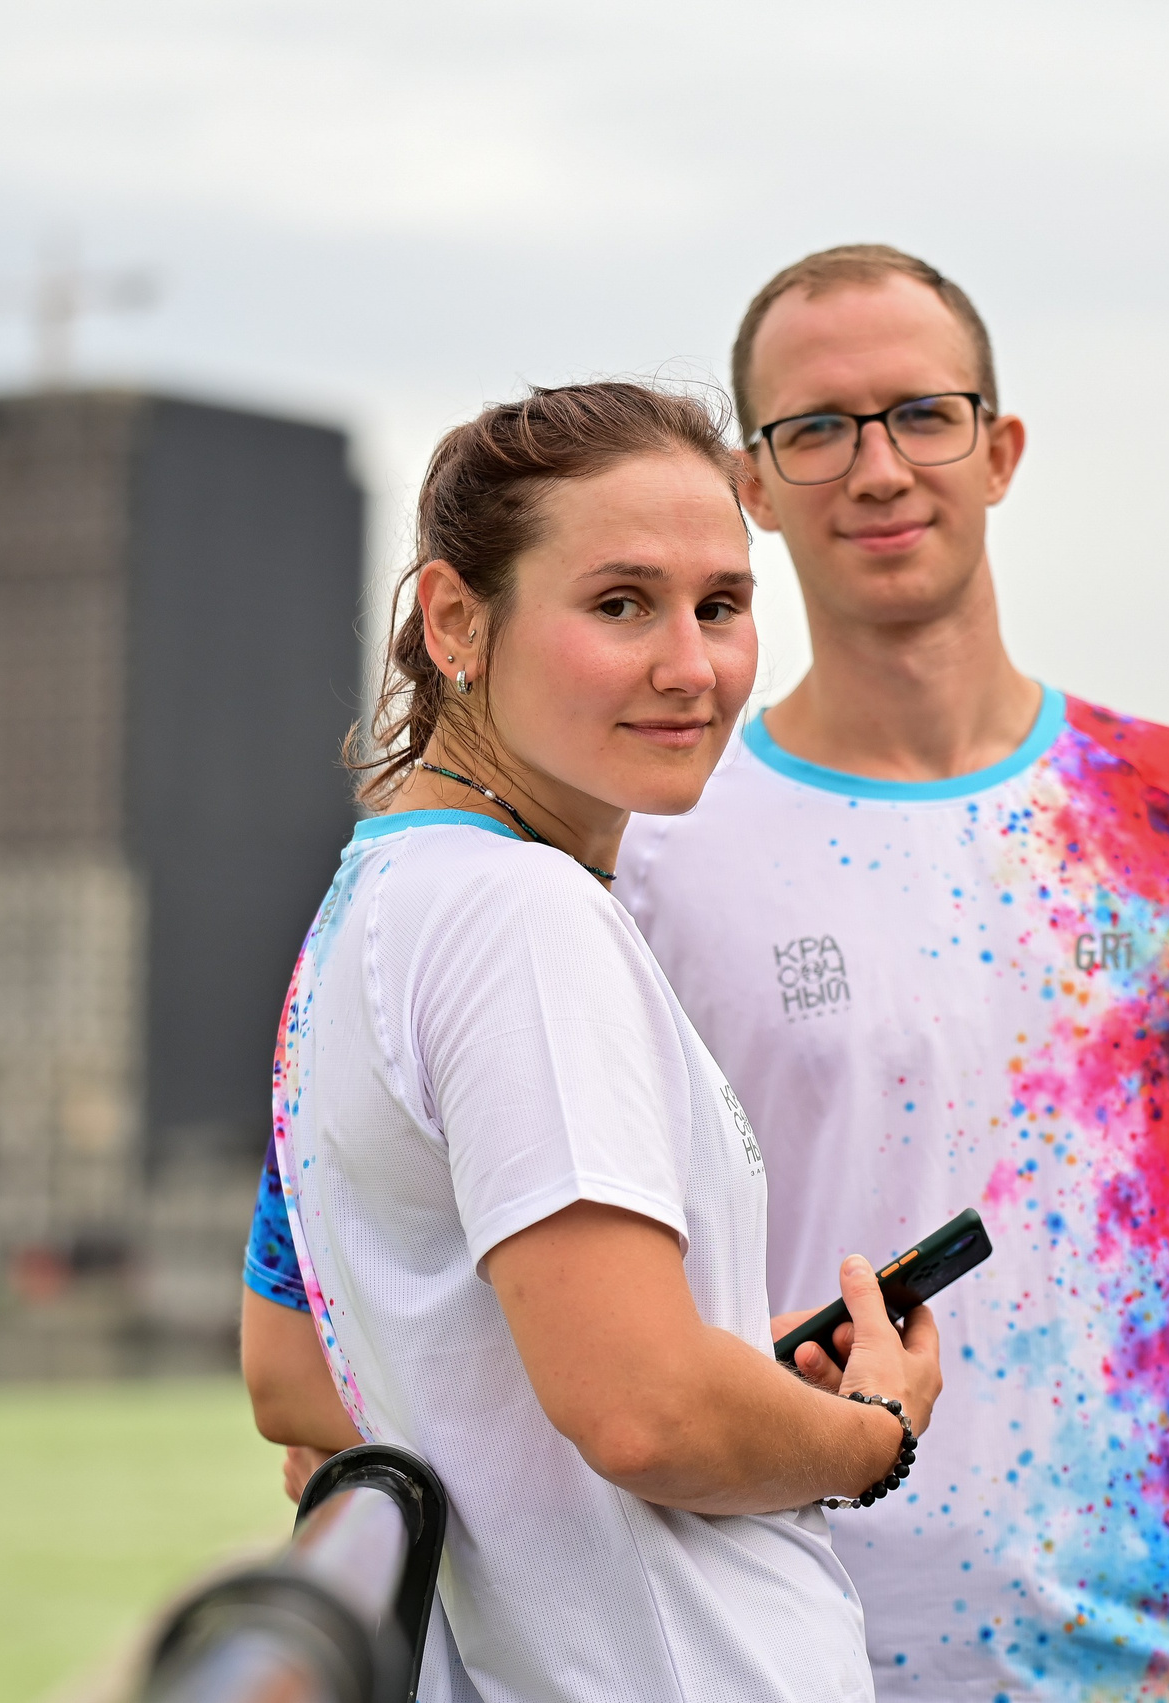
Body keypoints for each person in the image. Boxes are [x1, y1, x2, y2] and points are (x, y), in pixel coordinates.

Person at [248, 244, 1169, 1703]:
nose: (878, 465)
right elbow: (323, 1319)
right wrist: (655, 1428)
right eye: (816, 428)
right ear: (757, 476)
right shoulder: (610, 849)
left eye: (923, 412)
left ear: (1001, 447)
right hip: (818, 1634)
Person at [252, 380, 946, 1703]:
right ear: (457, 617)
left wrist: (721, 1371)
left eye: (722, 606)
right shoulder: (525, 916)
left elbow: (292, 1364)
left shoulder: (368, 907)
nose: (690, 665)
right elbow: (642, 1409)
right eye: (620, 603)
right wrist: (868, 1432)